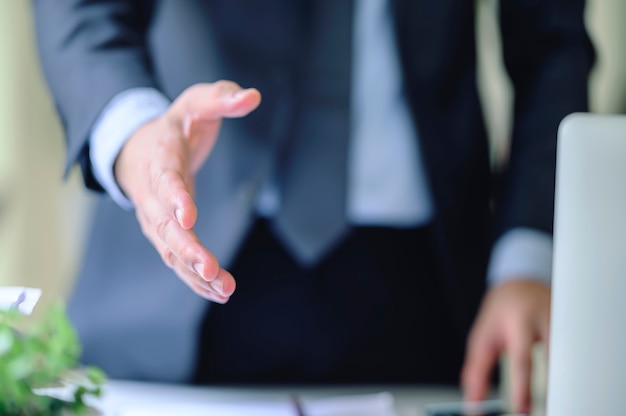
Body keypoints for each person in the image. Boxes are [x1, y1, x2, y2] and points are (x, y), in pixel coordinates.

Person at [33, 0, 594, 412]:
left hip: (429, 293)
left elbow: (552, 40)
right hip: (179, 279)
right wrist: (135, 138)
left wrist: (527, 257)